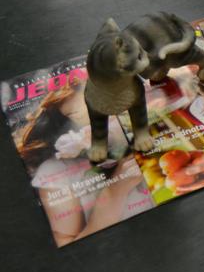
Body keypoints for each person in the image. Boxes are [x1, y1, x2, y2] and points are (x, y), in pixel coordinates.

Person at [16, 80, 151, 246]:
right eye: (75, 114)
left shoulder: (152, 125)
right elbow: (70, 248)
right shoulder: (56, 171)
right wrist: (115, 191)